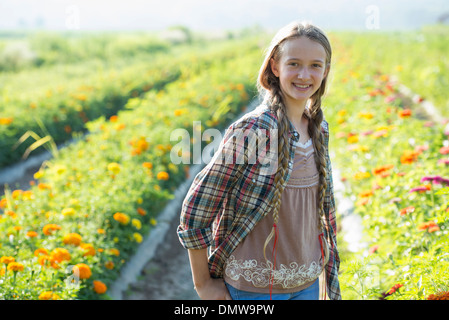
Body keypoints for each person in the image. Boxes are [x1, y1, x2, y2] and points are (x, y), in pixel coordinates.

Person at [177, 20, 341, 300]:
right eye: (294, 64)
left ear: (325, 71)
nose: (305, 74)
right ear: (275, 67)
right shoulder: (254, 131)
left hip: (307, 283)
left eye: (316, 65)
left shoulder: (317, 128)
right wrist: (203, 284)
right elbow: (197, 209)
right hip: (254, 288)